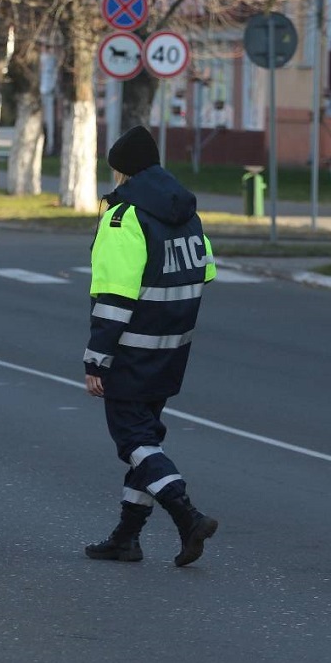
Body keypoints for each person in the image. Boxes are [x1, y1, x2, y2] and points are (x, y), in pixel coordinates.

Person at [83, 125, 219, 567]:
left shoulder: (124, 217)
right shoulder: (186, 213)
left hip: (132, 351)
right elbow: (205, 271)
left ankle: (187, 515)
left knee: (134, 442)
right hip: (172, 348)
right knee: (147, 442)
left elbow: (115, 298)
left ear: (121, 171)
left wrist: (97, 358)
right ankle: (126, 538)